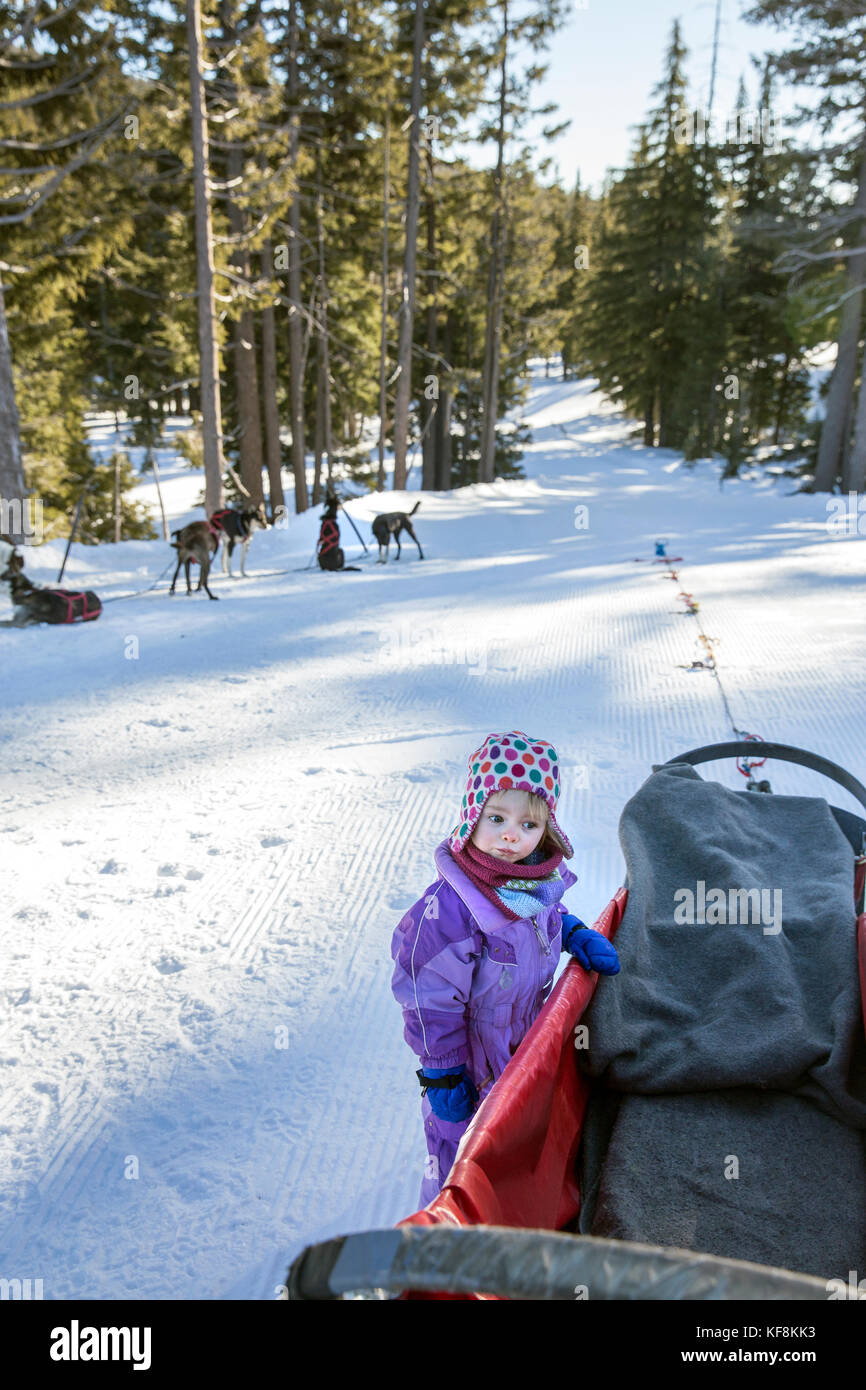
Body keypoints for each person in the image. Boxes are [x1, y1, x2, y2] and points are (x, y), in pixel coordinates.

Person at [390, 730, 620, 1208]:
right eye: (496, 818)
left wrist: (572, 932)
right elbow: (427, 995)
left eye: (529, 825)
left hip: (521, 1047)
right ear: (472, 815)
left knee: (516, 1147)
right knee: (462, 1159)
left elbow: (543, 923)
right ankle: (447, 1251)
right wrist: (442, 1073)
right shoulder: (449, 913)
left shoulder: (530, 885)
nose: (512, 835)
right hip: (469, 1066)